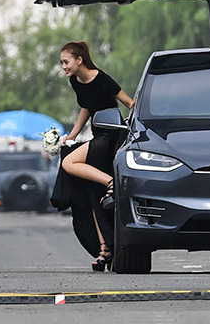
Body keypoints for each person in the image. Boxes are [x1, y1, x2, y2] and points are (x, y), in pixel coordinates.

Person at [59, 41, 134, 271]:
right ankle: (105, 248)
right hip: (97, 135)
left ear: (79, 60)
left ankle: (110, 181)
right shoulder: (76, 81)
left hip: (110, 137)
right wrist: (71, 135)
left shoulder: (102, 78)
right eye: (62, 63)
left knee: (69, 162)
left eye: (66, 62)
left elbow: (129, 102)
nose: (63, 67)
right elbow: (86, 107)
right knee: (94, 195)